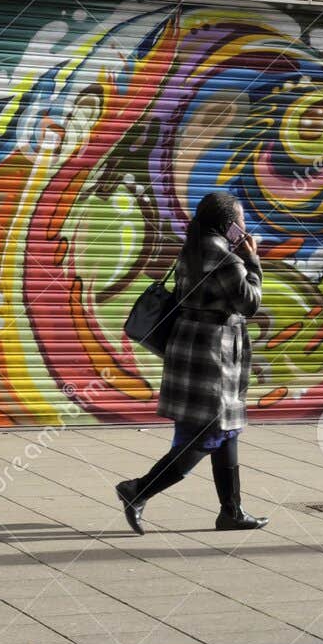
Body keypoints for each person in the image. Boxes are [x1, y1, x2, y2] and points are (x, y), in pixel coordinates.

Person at [116, 191, 270, 533]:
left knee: (226, 432)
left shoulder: (194, 247)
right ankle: (138, 490)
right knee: (207, 434)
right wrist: (253, 261)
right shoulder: (225, 256)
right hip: (213, 355)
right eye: (241, 220)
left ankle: (231, 511)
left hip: (191, 346)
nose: (245, 226)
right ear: (228, 224)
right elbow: (249, 304)